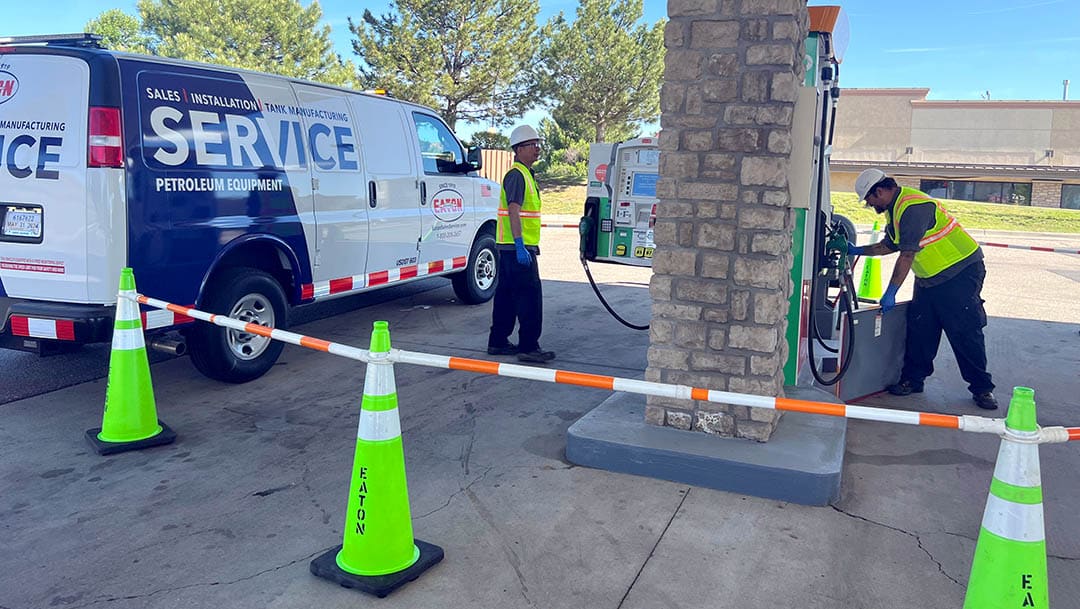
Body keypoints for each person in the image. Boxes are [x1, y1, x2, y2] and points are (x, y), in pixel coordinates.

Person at [847, 168, 997, 410]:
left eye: (870, 199)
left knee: (964, 332)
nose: (870, 205)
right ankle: (913, 380)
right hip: (929, 278)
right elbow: (890, 245)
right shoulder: (895, 209)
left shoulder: (914, 208)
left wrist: (891, 291)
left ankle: (982, 389)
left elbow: (906, 254)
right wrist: (857, 251)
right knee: (921, 329)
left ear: (881, 191)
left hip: (959, 272)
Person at [486, 125, 555, 364]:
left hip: (509, 248)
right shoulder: (517, 175)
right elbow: (514, 211)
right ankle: (529, 346)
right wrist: (519, 245)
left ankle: (497, 341)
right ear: (518, 149)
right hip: (517, 249)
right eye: (532, 145)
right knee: (529, 298)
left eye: (538, 144)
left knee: (506, 297)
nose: (537, 149)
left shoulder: (524, 174)